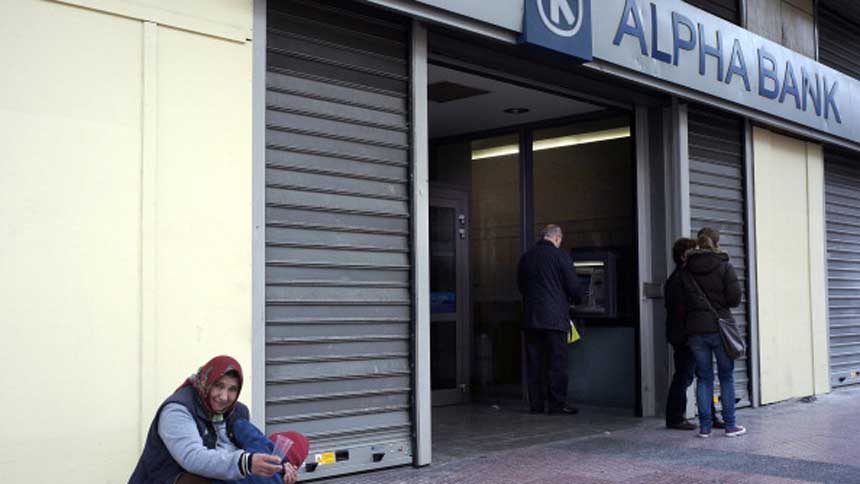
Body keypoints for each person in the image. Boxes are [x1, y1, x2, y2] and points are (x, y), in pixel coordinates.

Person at [129, 355, 304, 484]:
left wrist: (282, 464)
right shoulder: (177, 410)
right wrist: (246, 463)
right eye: (218, 386)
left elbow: (255, 441)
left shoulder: (236, 411)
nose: (223, 396)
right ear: (207, 382)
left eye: (232, 389)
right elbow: (193, 458)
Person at [682, 227, 747, 438]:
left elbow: (682, 301)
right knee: (726, 376)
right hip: (720, 328)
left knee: (704, 378)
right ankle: (730, 426)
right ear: (717, 243)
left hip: (695, 329)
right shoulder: (724, 266)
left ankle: (705, 428)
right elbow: (735, 299)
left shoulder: (686, 269)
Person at [517, 224, 586, 415]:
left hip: (531, 319)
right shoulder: (560, 256)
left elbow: (521, 286)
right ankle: (557, 405)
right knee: (557, 363)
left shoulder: (526, 257)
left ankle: (536, 405)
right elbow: (573, 286)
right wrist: (579, 299)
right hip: (555, 320)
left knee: (535, 363)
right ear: (557, 238)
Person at [664, 237, 724, 431]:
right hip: (685, 337)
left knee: (701, 375)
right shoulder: (679, 280)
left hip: (689, 335)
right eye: (693, 252)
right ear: (683, 256)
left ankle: (711, 415)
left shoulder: (685, 277)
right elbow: (681, 311)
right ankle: (675, 417)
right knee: (685, 376)